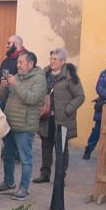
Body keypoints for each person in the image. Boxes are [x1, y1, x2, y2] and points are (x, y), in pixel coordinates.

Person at [0, 51, 46, 200]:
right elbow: (2, 97)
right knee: (8, 155)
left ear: (30, 64)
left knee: (25, 158)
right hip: (10, 123)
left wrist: (15, 84)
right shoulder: (17, 77)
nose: (17, 65)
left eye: (21, 63)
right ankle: (9, 182)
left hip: (25, 125)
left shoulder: (39, 79)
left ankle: (24, 188)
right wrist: (4, 86)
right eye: (17, 62)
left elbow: (32, 98)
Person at [33, 49, 85, 184]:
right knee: (46, 146)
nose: (52, 61)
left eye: (55, 59)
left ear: (62, 62)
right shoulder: (44, 74)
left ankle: (60, 176)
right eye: (51, 58)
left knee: (61, 149)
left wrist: (68, 109)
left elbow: (80, 96)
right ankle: (44, 174)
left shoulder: (70, 76)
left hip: (63, 119)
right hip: (46, 117)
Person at [0, 35, 27, 110]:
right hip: (1, 95)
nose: (7, 46)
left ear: (15, 43)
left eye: (9, 43)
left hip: (11, 98)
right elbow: (6, 75)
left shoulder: (25, 58)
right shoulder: (10, 58)